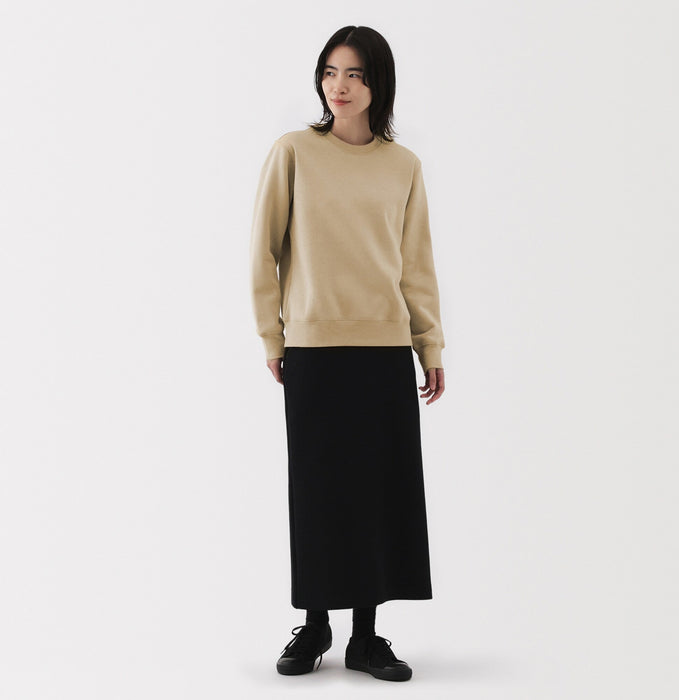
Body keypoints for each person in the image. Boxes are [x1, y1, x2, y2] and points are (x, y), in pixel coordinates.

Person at [249, 25, 446, 682]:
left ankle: (365, 637)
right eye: (331, 72)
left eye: (356, 74)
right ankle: (315, 626)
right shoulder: (294, 152)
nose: (340, 85)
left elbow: (415, 265)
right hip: (314, 349)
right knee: (318, 492)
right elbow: (264, 252)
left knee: (379, 494)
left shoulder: (403, 166)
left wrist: (430, 344)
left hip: (385, 351)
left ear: (377, 83)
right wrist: (273, 335)